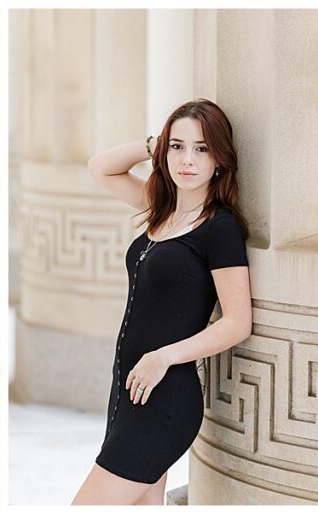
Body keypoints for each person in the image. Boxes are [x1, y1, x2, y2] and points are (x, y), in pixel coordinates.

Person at [72, 99, 252, 505]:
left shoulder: (219, 228)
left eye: (202, 149)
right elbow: (100, 166)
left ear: (220, 160)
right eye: (177, 146)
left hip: (164, 397)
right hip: (129, 391)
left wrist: (162, 358)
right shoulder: (162, 209)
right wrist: (153, 141)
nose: (187, 159)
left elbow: (238, 322)